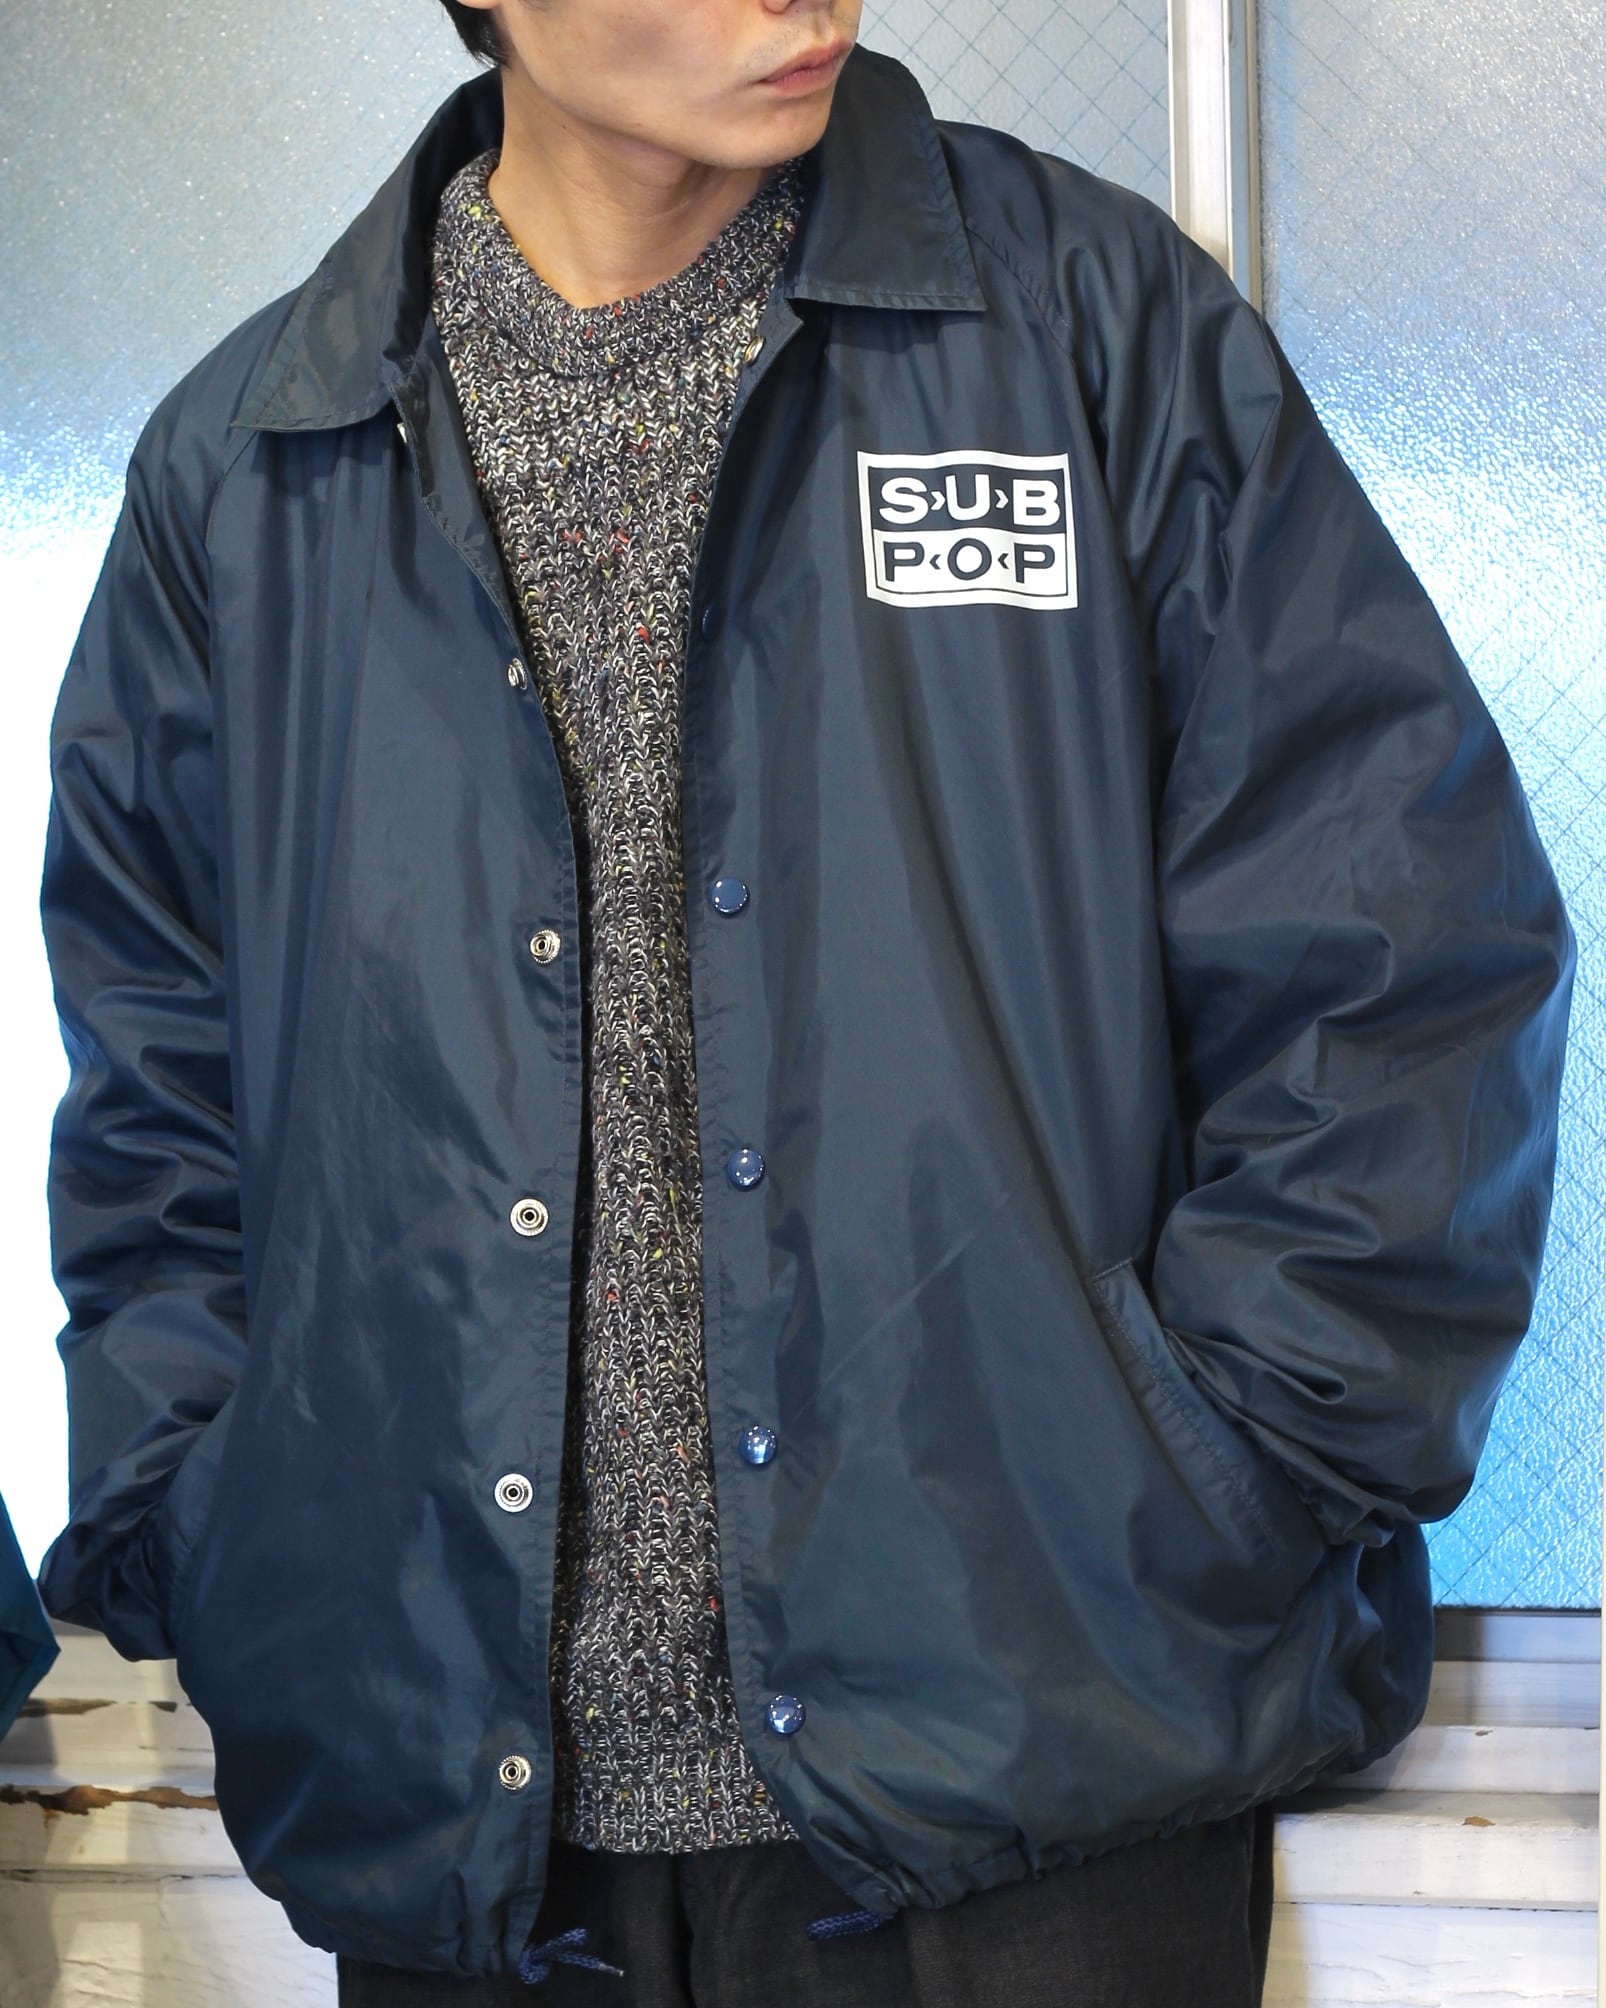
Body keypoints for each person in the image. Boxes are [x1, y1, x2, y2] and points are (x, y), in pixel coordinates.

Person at [33, 0, 1574, 2001]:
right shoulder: (252, 466)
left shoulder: (1081, 332)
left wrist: (1222, 1471)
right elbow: (156, 1090)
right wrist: (210, 1516)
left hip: (1047, 1767)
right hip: (458, 1815)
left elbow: (1395, 936)